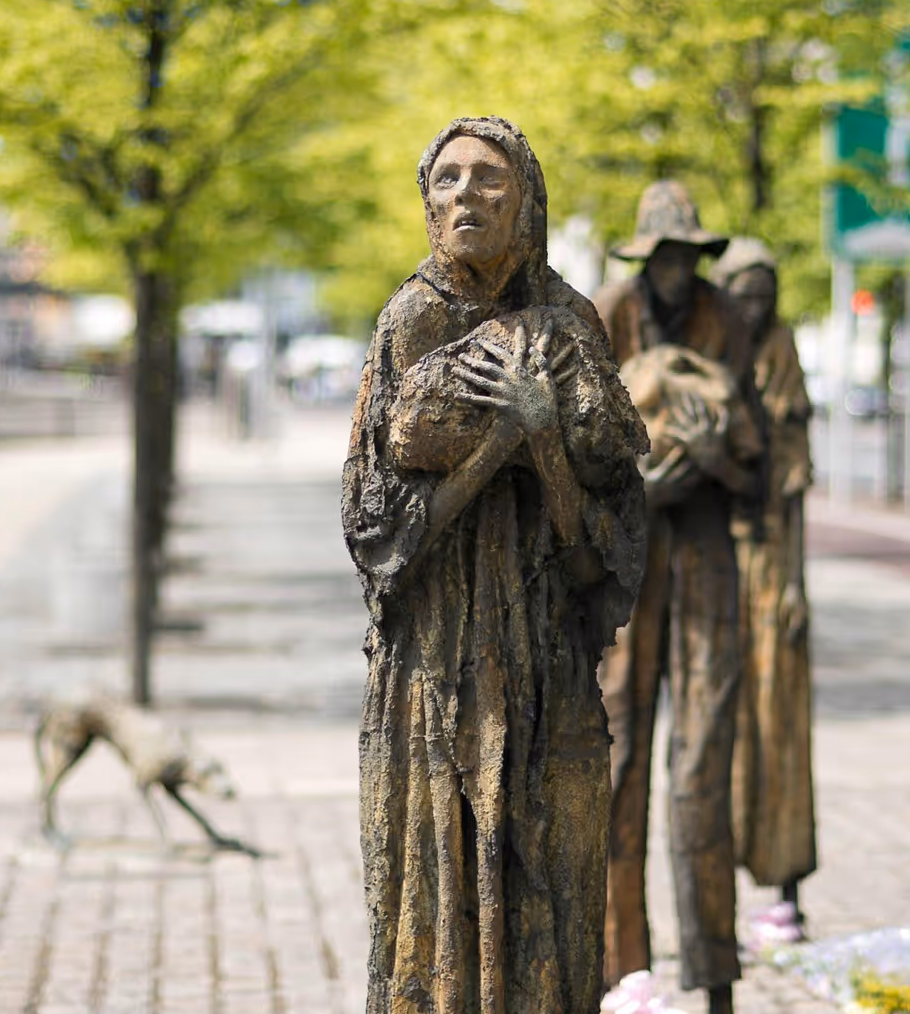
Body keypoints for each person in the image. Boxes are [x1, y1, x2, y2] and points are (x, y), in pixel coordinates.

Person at [343, 117, 648, 1014]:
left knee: (550, 894)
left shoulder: (570, 320)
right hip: (435, 670)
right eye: (447, 179)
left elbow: (601, 547)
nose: (466, 195)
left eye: (489, 178)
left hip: (545, 660)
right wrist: (493, 448)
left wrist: (546, 440)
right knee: (430, 902)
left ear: (527, 201)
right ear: (427, 203)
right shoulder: (409, 321)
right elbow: (382, 538)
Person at [596, 181, 762, 1014]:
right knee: (617, 754)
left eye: (685, 255)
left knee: (702, 763)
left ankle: (714, 972)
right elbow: (579, 452)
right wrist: (638, 488)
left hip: (705, 563)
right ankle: (622, 967)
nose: (673, 269)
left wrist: (715, 458)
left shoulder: (727, 319)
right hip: (630, 568)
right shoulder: (608, 312)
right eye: (661, 255)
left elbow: (758, 467)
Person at [712, 238, 818, 914]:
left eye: (765, 294)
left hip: (771, 555)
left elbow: (795, 483)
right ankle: (716, 891)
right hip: (712, 558)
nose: (755, 307)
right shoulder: (707, 350)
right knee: (718, 723)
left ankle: (785, 888)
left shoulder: (782, 357)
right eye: (743, 294)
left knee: (780, 715)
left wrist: (797, 581)